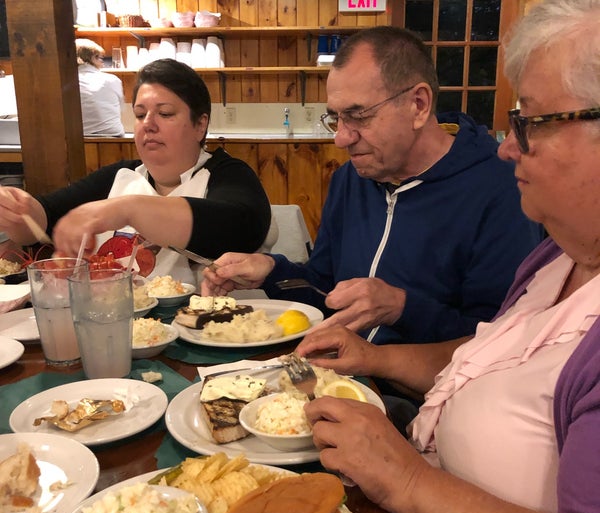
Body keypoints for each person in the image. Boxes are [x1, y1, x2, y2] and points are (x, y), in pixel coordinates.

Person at [293, 1, 600, 513]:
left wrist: (402, 478)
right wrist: (372, 358)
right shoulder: (559, 259)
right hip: (407, 500)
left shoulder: (494, 197)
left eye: (529, 123)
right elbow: (485, 355)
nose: (507, 148)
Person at [201, 26, 543, 345]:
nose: (341, 138)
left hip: (429, 398)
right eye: (336, 117)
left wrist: (400, 307)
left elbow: (500, 341)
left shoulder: (500, 187)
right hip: (346, 375)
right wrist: (272, 271)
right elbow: (325, 288)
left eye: (359, 116)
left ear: (418, 105)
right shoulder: (351, 178)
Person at [0, 59, 272, 283]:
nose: (148, 125)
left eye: (165, 114)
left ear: (200, 125)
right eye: (140, 115)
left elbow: (242, 227)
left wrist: (127, 209)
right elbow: (42, 221)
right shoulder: (121, 176)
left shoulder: (228, 174)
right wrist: (18, 212)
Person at [75, 38, 125, 137]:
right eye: (100, 58)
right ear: (93, 58)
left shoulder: (66, 82)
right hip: (114, 137)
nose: (102, 63)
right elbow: (121, 109)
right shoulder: (112, 80)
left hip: (79, 139)